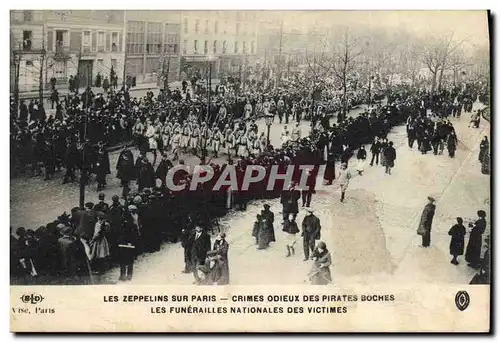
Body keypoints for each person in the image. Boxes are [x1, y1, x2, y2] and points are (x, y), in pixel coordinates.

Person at [118, 209, 140, 281]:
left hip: (123, 245)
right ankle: (129, 275)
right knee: (130, 260)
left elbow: (119, 235)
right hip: (131, 245)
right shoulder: (133, 225)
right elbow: (136, 236)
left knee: (123, 261)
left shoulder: (122, 225)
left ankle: (122, 275)